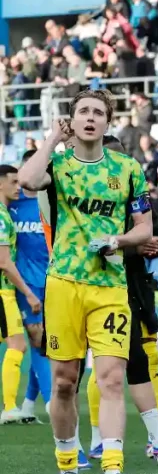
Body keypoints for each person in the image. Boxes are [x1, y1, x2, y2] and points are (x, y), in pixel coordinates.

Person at [19, 89, 154, 474]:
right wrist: (51, 140)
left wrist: (119, 240)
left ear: (108, 122)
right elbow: (26, 180)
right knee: (64, 382)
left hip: (110, 286)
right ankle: (67, 466)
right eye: (83, 112)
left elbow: (144, 229)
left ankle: (112, 472)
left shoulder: (129, 168)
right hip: (63, 284)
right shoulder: (57, 165)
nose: (91, 118)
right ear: (72, 122)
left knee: (111, 378)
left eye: (98, 112)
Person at [84, 135, 158, 466]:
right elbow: (93, 244)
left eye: (124, 158)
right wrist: (133, 245)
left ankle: (157, 439)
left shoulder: (137, 195)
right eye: (112, 157)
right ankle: (96, 439)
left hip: (135, 286)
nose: (120, 165)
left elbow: (154, 234)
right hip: (97, 286)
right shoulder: (90, 197)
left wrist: (144, 242)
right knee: (102, 366)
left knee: (144, 360)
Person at [10, 151, 62, 435]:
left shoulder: (51, 203)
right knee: (38, 339)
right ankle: (52, 401)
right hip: (26, 285)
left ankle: (28, 403)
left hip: (54, 280)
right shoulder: (10, 207)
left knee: (45, 342)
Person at [0, 165, 36, 425]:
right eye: (13, 182)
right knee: (18, 345)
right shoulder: (1, 217)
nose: (18, 186)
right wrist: (28, 292)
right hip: (3, 292)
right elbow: (3, 261)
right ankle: (10, 407)